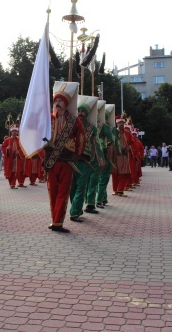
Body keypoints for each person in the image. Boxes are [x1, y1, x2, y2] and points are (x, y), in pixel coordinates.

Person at [43, 81, 85, 232]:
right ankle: (54, 219)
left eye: (61, 100)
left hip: (67, 161)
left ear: (66, 103)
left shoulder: (74, 121)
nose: (58, 103)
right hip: (51, 161)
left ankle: (58, 222)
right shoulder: (48, 118)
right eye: (56, 100)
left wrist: (76, 156)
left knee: (63, 191)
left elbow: (81, 139)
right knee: (52, 191)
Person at [69, 95, 100, 221]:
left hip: (85, 162)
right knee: (72, 189)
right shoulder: (70, 125)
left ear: (87, 114)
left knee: (81, 188)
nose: (80, 113)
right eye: (79, 111)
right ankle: (76, 208)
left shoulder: (92, 128)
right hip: (71, 161)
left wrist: (100, 159)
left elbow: (96, 144)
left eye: (83, 111)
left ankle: (74, 212)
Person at [2, 124, 27, 188]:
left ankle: (19, 183)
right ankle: (12, 184)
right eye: (13, 133)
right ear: (11, 133)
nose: (14, 134)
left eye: (15, 133)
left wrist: (19, 152)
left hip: (18, 158)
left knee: (18, 171)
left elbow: (23, 148)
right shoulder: (7, 140)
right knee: (11, 171)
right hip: (10, 159)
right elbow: (3, 148)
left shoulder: (20, 140)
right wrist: (7, 149)